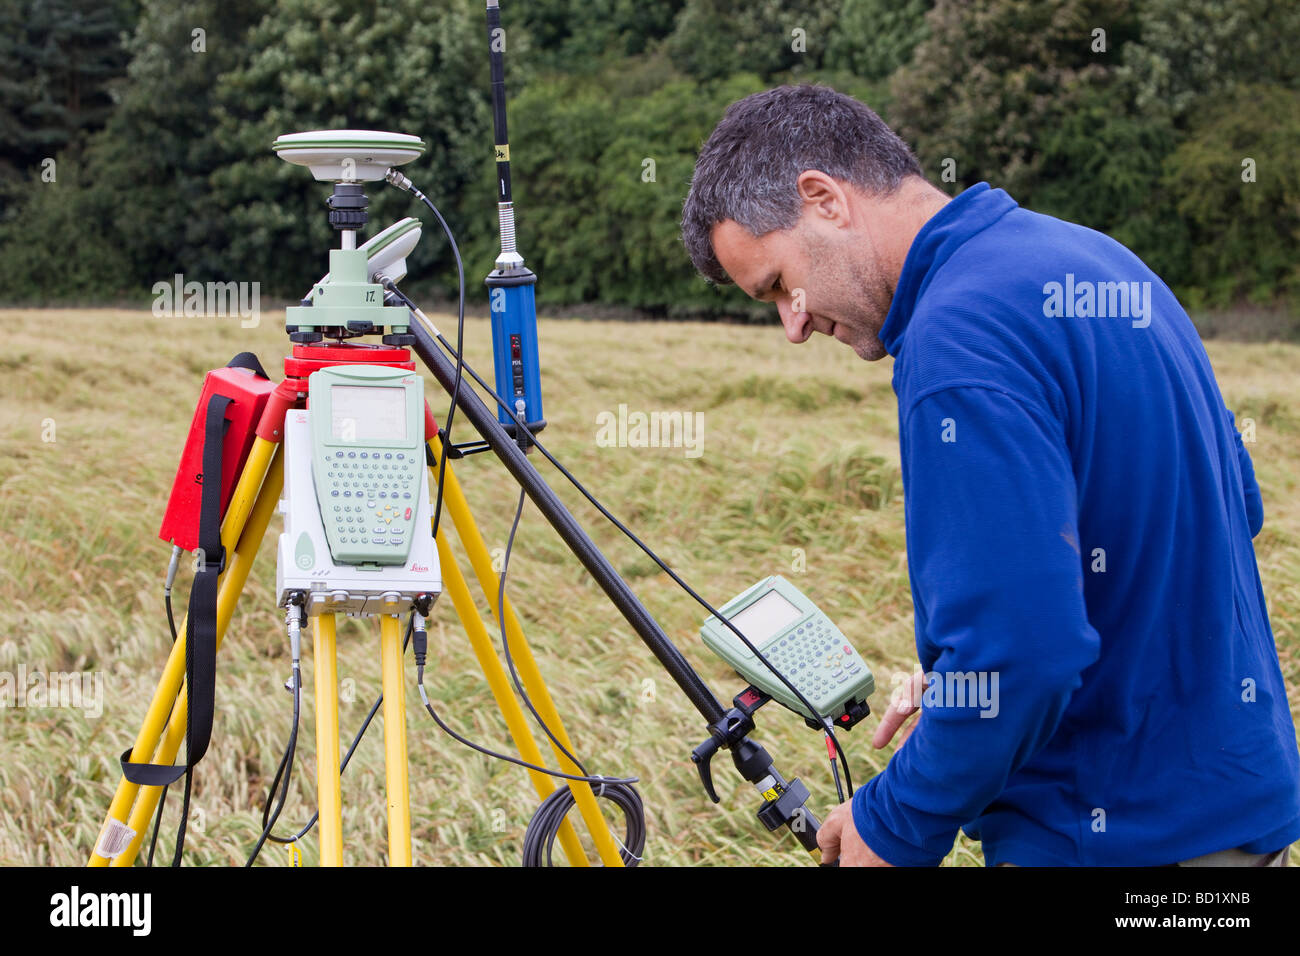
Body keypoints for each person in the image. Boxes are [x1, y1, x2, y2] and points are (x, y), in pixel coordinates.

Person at [680, 83, 1300, 867]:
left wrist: (897, 820)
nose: (794, 325)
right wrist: (964, 689)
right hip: (1238, 817)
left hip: (1120, 838)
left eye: (777, 285)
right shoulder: (1097, 260)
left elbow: (1022, 653)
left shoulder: (956, 342)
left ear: (824, 199)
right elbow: (1218, 523)